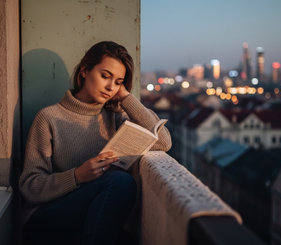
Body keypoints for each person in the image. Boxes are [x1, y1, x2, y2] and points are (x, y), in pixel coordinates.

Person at [19, 41, 171, 245]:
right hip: (47, 217)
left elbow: (163, 142)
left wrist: (125, 96)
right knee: (121, 181)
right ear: (84, 71)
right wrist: (77, 176)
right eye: (105, 76)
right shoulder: (48, 118)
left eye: (118, 81)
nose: (110, 87)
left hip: (91, 213)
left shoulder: (114, 117)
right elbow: (30, 186)